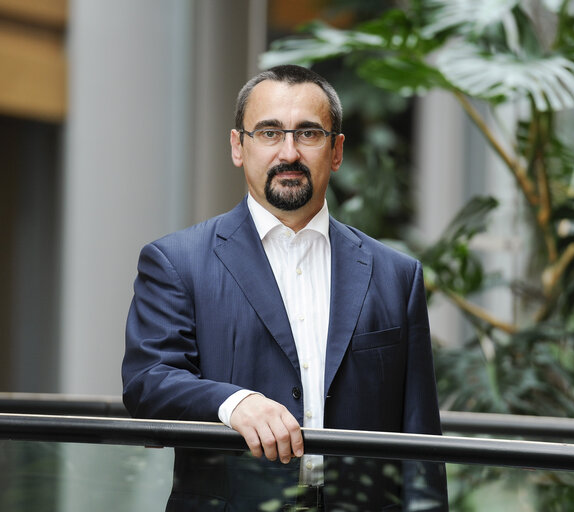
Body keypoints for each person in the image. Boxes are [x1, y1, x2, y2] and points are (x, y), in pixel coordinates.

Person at [122, 64, 448, 511]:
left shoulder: (397, 275)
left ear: (336, 151)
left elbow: (421, 441)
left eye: (309, 134)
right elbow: (148, 381)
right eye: (270, 133)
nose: (289, 152)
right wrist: (234, 403)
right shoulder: (176, 262)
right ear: (239, 145)